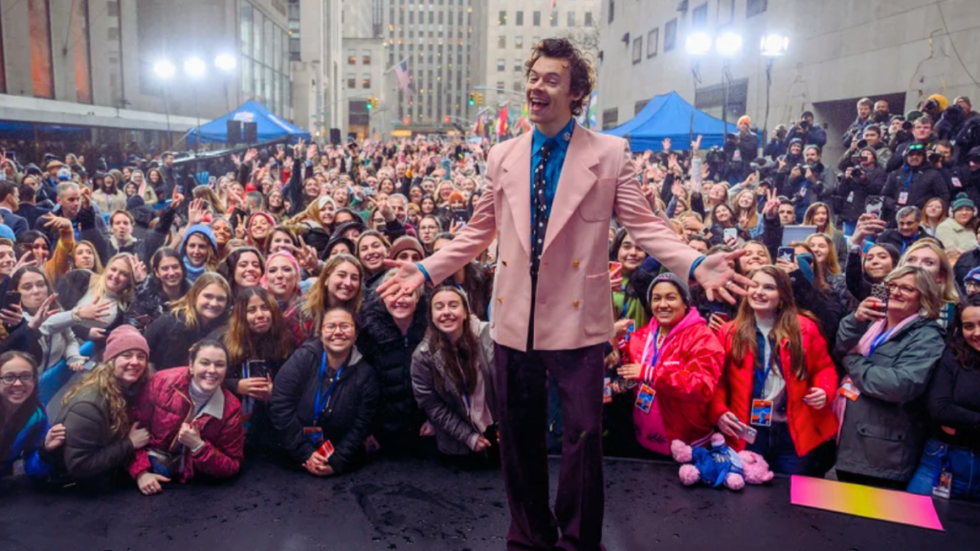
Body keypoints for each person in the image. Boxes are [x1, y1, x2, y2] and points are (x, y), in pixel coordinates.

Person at [378, 38, 745, 551]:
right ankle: (529, 536)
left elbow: (646, 226)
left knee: (582, 441)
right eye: (533, 77)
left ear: (577, 95)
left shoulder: (611, 153)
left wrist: (697, 262)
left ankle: (577, 541)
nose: (536, 86)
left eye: (551, 79)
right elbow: (477, 231)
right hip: (513, 321)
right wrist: (426, 268)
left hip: (577, 324)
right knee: (518, 439)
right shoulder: (502, 154)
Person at [711, 266, 839, 476]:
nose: (759, 292)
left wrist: (824, 390)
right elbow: (718, 381)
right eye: (754, 286)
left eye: (769, 287)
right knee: (748, 496)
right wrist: (718, 412)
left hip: (793, 433)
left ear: (782, 295)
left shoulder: (805, 328)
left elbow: (824, 368)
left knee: (790, 496)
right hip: (748, 432)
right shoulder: (728, 332)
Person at [835, 265, 946, 489]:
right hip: (848, 439)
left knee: (871, 520)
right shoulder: (871, 321)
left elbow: (897, 385)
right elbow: (838, 347)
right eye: (891, 285)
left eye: (907, 289)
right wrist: (855, 320)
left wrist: (852, 361)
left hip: (883, 452)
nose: (895, 292)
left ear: (923, 298)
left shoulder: (927, 336)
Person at [618, 273, 724, 452]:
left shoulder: (702, 338)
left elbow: (702, 387)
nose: (663, 304)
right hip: (643, 436)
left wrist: (651, 373)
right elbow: (632, 369)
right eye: (656, 298)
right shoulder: (641, 335)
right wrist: (617, 350)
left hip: (686, 444)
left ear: (685, 303)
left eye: (671, 297)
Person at [269, 307, 380, 476]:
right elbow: (280, 405)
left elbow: (361, 424)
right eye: (330, 326)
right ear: (321, 333)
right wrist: (306, 453)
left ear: (356, 334)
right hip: (292, 461)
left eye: (345, 326)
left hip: (342, 464)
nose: (338, 332)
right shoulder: (303, 358)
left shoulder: (365, 374)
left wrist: (337, 461)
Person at [128, 340, 244, 495]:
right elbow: (131, 431)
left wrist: (198, 446)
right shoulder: (161, 382)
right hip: (145, 479)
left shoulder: (231, 407)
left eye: (219, 364)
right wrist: (141, 473)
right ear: (191, 365)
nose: (212, 370)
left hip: (193, 489)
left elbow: (232, 465)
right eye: (204, 363)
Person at [53, 326, 152, 490]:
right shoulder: (88, 405)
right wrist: (129, 444)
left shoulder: (132, 389)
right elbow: (79, 465)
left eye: (141, 356)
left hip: (108, 476)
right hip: (73, 490)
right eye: (126, 355)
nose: (135, 362)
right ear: (111, 361)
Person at [411, 286, 498, 462]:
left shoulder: (490, 337)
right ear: (431, 316)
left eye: (453, 305)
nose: (446, 312)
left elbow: (510, 385)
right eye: (439, 307)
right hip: (458, 444)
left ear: (465, 312)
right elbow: (432, 405)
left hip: (499, 435)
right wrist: (467, 436)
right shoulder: (423, 355)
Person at [906, 296, 980, 501]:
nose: (977, 333)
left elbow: (951, 413)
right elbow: (940, 409)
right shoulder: (952, 357)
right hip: (943, 460)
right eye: (968, 326)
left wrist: (961, 422)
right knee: (912, 527)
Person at [358, 270, 430, 453]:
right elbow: (360, 387)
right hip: (383, 434)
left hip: (425, 433)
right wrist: (366, 430)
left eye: (407, 293)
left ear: (418, 298)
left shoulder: (431, 330)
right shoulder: (369, 333)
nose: (400, 299)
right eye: (392, 293)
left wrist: (435, 421)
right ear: (382, 298)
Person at [224, 287, 293, 449]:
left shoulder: (286, 341)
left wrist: (275, 393)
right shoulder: (225, 341)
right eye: (251, 310)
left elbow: (296, 385)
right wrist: (236, 385)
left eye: (265, 308)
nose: (260, 315)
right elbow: (206, 381)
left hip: (271, 425)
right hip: (234, 423)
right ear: (241, 316)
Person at [144, 273, 231, 370]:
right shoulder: (169, 321)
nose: (214, 303)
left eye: (221, 299)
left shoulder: (228, 329)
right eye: (208, 296)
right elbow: (143, 352)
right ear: (194, 295)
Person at [0, 351, 65, 480]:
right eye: (9, 377)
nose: (18, 383)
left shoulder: (36, 416)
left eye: (25, 376)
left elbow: (33, 469)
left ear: (34, 380)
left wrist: (45, 450)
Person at [298, 254, 364, 341]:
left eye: (354, 278)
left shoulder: (362, 316)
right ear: (326, 279)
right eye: (341, 275)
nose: (348, 283)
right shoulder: (302, 313)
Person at [127, 248, 187, 331]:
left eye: (175, 267)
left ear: (182, 268)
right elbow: (131, 330)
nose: (172, 273)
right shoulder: (143, 297)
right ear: (156, 272)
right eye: (165, 268)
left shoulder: (194, 295)